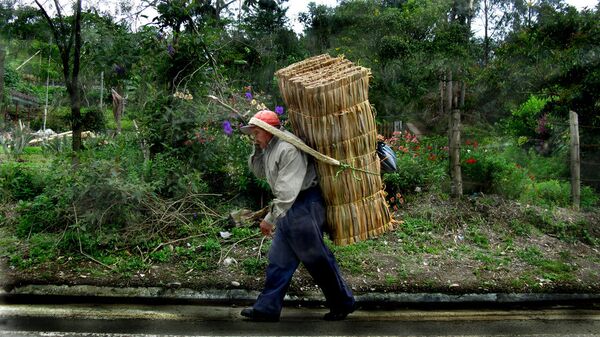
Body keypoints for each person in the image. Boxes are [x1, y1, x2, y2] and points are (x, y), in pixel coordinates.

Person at [239, 110, 356, 322]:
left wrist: (269, 219)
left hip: (303, 205)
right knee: (278, 261)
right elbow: (259, 172)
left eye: (256, 132)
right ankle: (267, 309)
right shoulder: (269, 148)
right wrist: (257, 148)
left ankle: (342, 303)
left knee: (317, 259)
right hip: (289, 207)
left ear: (269, 131)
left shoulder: (288, 149)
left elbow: (287, 191)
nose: (253, 136)